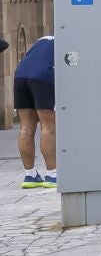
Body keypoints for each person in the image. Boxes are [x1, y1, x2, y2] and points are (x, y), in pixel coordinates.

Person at [14, 34, 56, 189]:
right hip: (43, 76)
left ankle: (30, 174)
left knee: (26, 127)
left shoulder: (42, 40)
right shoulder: (68, 43)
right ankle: (52, 175)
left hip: (20, 76)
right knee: (48, 126)